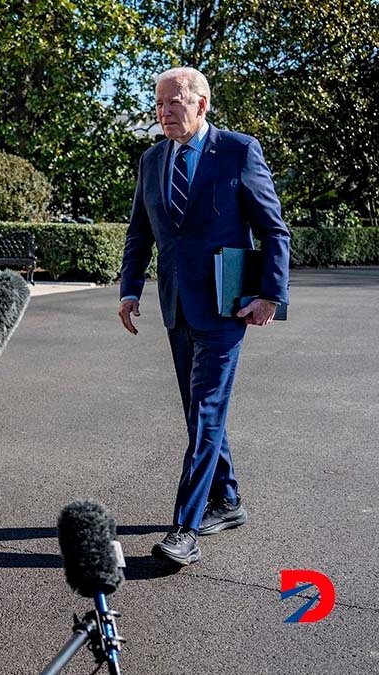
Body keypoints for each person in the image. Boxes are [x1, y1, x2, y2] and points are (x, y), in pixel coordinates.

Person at [118, 67, 290, 566]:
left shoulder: (238, 151)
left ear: (202, 104)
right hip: (176, 305)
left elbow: (274, 230)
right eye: (159, 105)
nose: (164, 112)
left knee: (207, 412)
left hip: (225, 307)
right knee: (200, 413)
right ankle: (229, 501)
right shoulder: (152, 160)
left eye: (174, 102)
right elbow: (140, 233)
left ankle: (185, 528)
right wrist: (130, 290)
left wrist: (269, 296)